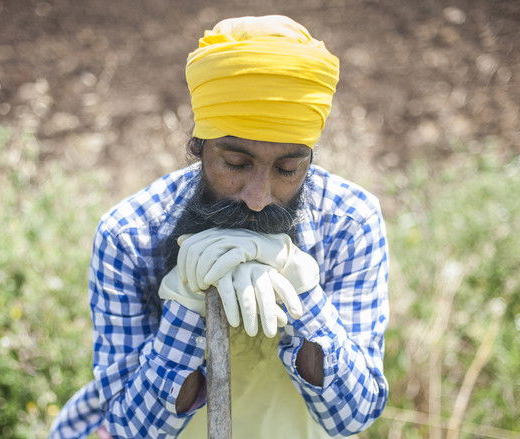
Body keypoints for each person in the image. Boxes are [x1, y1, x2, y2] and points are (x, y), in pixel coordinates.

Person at [50, 15, 389, 439]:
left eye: (287, 169)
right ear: (200, 147)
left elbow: (353, 417)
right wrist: (187, 304)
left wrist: (305, 298)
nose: (258, 196)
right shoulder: (131, 234)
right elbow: (132, 430)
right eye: (235, 164)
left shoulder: (348, 222)